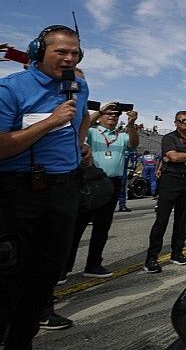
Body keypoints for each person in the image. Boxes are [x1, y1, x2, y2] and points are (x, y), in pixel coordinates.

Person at [0, 25, 90, 349]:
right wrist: (51, 122)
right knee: (8, 279)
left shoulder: (78, 87)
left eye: (75, 54)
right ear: (38, 51)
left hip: (64, 190)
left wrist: (79, 144)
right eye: (61, 52)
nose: (69, 59)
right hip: (18, 192)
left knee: (44, 279)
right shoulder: (10, 89)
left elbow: (83, 118)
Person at [67, 102, 139, 279]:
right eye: (109, 113)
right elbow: (78, 129)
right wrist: (99, 112)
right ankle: (63, 269)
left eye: (115, 114)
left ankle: (93, 265)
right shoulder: (92, 131)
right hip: (90, 182)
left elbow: (134, 143)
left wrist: (131, 124)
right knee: (77, 227)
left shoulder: (121, 136)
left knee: (102, 227)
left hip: (112, 184)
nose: (112, 116)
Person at [143, 111, 186, 273]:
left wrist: (181, 157)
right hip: (170, 180)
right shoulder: (169, 138)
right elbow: (173, 157)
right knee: (161, 220)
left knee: (181, 220)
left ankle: (177, 253)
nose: (185, 123)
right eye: (182, 120)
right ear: (176, 122)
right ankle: (151, 258)